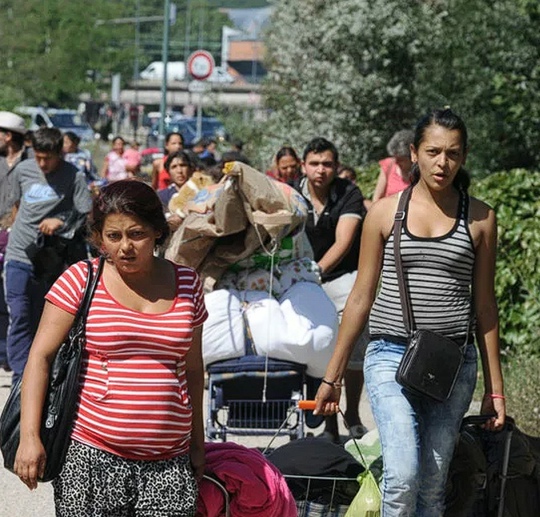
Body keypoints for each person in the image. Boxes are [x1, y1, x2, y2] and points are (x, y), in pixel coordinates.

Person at [314, 108, 506, 516]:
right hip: (389, 356)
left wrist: (496, 390)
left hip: (454, 363)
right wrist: (332, 375)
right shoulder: (384, 213)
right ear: (413, 154)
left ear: (464, 156)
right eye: (433, 151)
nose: (443, 163)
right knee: (402, 475)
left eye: (453, 153)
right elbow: (361, 297)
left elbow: (486, 307)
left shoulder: (481, 217)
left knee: (434, 485)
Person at [14, 180, 207, 516]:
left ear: (158, 232)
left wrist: (197, 443)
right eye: (113, 236)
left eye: (137, 234)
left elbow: (193, 370)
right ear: (99, 237)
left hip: (169, 465)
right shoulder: (80, 280)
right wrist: (30, 438)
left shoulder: (188, 283)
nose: (125, 247)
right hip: (90, 458)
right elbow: (40, 357)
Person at [3, 127, 92, 385]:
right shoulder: (23, 170)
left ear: (60, 153)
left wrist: (60, 220)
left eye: (48, 158)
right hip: (18, 253)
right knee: (19, 313)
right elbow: (14, 205)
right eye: (38, 157)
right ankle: (21, 374)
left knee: (44, 318)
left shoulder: (73, 176)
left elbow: (85, 212)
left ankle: (44, 369)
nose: (42, 164)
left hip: (51, 261)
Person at [294, 137, 368, 443]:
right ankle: (316, 416)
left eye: (327, 164)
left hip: (339, 276)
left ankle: (351, 412)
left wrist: (317, 271)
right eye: (314, 163)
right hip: (298, 277)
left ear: (336, 167)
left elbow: (344, 242)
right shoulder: (291, 193)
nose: (320, 170)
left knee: (353, 333)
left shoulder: (348, 193)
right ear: (303, 166)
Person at [0, 111, 29, 372]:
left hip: (22, 243)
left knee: (17, 303)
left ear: (8, 136)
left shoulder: (33, 164)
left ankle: (15, 359)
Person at [158, 150, 196, 233]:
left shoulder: (200, 192)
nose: (179, 171)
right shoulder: (162, 196)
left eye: (183, 165)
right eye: (174, 167)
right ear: (168, 172)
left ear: (190, 169)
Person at [372, 129, 415, 202]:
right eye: (395, 158)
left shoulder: (421, 171)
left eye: (401, 159)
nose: (396, 162)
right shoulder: (389, 165)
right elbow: (377, 198)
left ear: (412, 157)